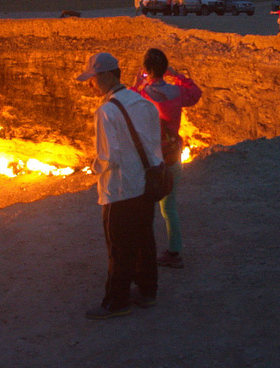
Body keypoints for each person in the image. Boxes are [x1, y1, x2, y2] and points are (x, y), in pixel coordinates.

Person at [76, 52, 162, 319]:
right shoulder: (143, 102)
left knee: (119, 248)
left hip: (120, 189)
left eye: (92, 79)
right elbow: (153, 144)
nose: (90, 84)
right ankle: (147, 292)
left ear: (107, 76)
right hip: (145, 185)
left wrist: (93, 169)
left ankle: (117, 302)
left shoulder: (106, 111)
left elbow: (107, 157)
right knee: (144, 240)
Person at [133, 48, 202, 270]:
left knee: (145, 209)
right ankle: (174, 251)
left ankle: (145, 254)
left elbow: (129, 104)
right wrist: (177, 75)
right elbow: (196, 92)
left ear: (145, 69)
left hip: (149, 161)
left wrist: (136, 83)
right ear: (165, 69)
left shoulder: (142, 95)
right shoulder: (177, 92)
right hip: (172, 157)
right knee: (169, 208)